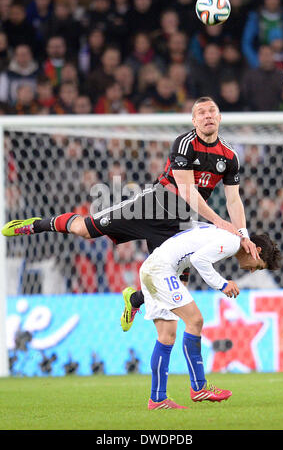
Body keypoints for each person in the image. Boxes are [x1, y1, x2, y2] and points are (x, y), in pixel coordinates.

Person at [2, 97, 259, 329]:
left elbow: (233, 199)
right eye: (201, 112)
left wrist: (243, 234)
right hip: (151, 206)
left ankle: (134, 299)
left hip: (179, 225)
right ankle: (35, 225)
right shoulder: (185, 143)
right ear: (194, 120)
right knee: (84, 230)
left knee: (175, 286)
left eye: (212, 111)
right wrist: (217, 221)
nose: (207, 116)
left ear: (220, 117)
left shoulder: (229, 155)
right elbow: (187, 191)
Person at [140, 222, 281, 409]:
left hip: (154, 267)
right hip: (162, 270)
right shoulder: (232, 242)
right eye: (258, 266)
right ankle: (199, 387)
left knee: (166, 336)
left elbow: (196, 231)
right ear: (257, 250)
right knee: (195, 321)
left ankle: (157, 399)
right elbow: (199, 260)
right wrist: (222, 284)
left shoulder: (228, 235)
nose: (253, 270)